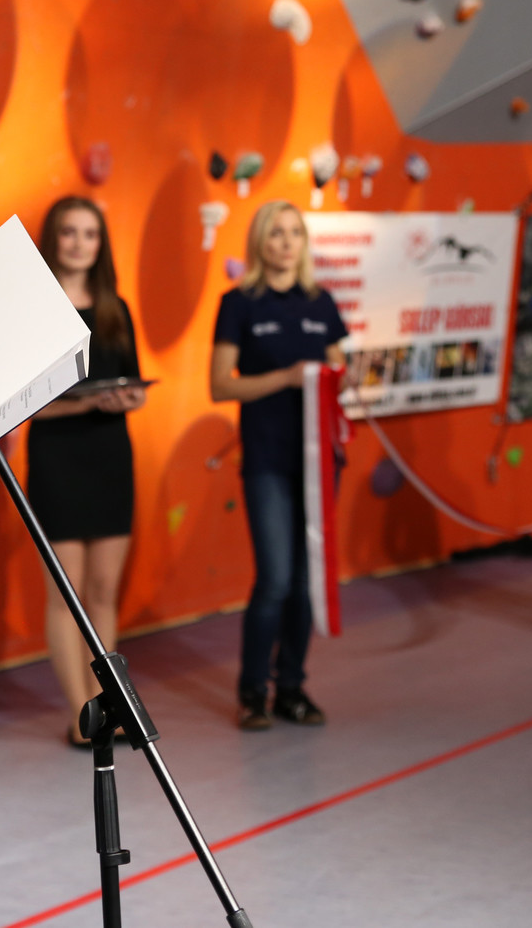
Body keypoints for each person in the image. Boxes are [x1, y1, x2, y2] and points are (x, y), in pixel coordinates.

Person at [210, 200, 347, 730]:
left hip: (318, 462)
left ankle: (292, 686)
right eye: (276, 233)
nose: (287, 243)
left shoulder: (321, 302)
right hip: (267, 458)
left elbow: (339, 366)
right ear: (260, 242)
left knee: (307, 579)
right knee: (275, 578)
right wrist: (286, 378)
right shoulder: (238, 304)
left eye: (295, 233)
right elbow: (221, 384)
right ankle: (253, 691)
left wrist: (338, 376)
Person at [26, 197, 146, 748]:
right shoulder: (37, 310)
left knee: (102, 592)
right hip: (58, 459)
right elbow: (21, 406)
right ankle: (81, 716)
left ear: (102, 244)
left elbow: (135, 384)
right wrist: (87, 404)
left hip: (111, 457)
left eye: (90, 234)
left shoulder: (117, 308)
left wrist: (126, 399)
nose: (80, 243)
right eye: (70, 232)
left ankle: (105, 706)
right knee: (66, 594)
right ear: (53, 239)